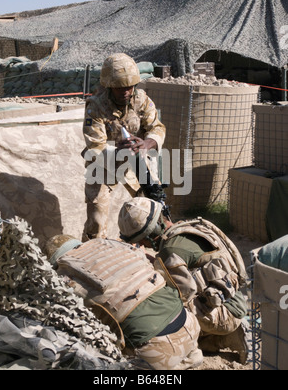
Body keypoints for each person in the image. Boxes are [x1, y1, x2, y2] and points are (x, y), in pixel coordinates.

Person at [118, 197, 251, 364]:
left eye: (141, 240)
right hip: (234, 298)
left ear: (150, 234)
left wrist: (152, 268)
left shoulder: (170, 251)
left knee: (163, 312)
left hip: (225, 312)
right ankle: (219, 336)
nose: (142, 244)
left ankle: (228, 335)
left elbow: (177, 298)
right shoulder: (188, 227)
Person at [45, 235, 203, 370]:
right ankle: (191, 354)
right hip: (190, 323)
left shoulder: (64, 277)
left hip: (155, 351)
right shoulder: (109, 246)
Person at [82, 53, 166, 241]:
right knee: (96, 217)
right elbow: (95, 147)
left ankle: (151, 247)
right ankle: (91, 254)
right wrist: (118, 152)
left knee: (152, 207)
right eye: (120, 88)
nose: (126, 92)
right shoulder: (94, 106)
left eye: (130, 87)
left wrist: (147, 143)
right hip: (103, 164)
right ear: (109, 86)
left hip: (137, 161)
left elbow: (157, 127)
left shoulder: (142, 100)